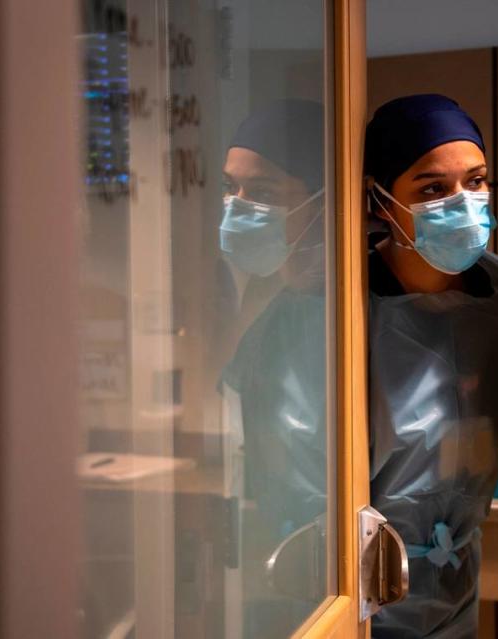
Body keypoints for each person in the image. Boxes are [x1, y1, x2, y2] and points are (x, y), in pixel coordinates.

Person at [364, 94, 498, 638]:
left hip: (457, 584)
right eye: (432, 189)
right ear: (382, 201)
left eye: (475, 182)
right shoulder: (347, 308)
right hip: (362, 594)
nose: (462, 202)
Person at [218, 98, 329, 638]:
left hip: (335, 582)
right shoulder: (266, 306)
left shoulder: (345, 317)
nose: (238, 207)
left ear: (320, 199)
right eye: (231, 187)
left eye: (262, 193)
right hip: (270, 569)